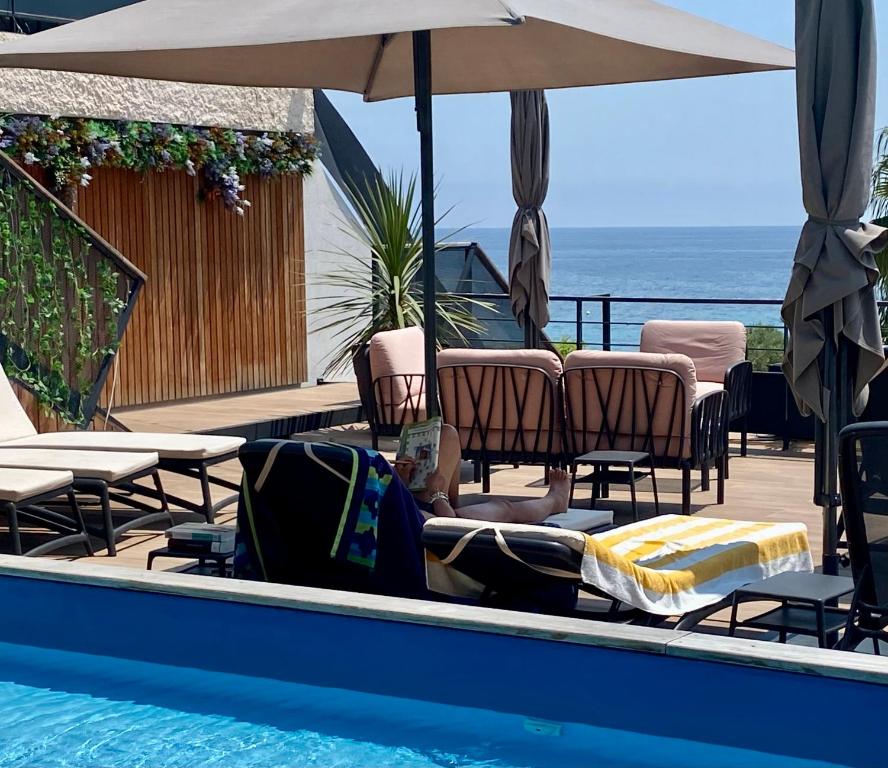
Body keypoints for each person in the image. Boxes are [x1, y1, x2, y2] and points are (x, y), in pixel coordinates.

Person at [393, 424, 570, 524]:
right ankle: (554, 501)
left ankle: (451, 503)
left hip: (408, 505)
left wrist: (400, 481)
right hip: (435, 518)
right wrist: (437, 493)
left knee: (447, 433)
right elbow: (448, 525)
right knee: (505, 509)